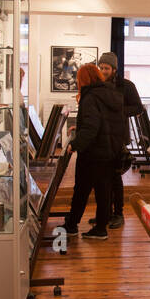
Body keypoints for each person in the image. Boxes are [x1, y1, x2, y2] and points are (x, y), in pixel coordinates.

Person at [63, 63, 125, 240]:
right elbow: (104, 122)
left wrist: (75, 144)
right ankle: (100, 228)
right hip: (109, 151)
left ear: (83, 79)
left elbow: (92, 127)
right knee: (104, 191)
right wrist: (80, 127)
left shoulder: (90, 97)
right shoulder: (109, 93)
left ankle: (72, 225)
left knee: (81, 190)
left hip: (93, 153)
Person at [96, 51, 144, 228]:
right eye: (101, 67)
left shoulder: (127, 86)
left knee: (115, 176)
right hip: (101, 137)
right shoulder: (98, 84)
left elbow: (138, 108)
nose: (103, 71)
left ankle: (118, 213)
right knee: (103, 177)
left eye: (106, 68)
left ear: (114, 69)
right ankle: (105, 213)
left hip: (118, 136)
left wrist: (119, 111)